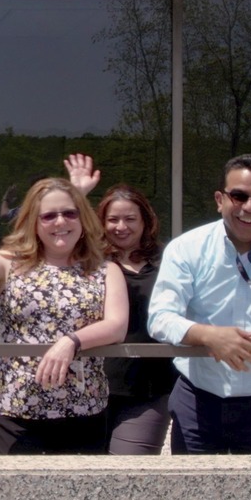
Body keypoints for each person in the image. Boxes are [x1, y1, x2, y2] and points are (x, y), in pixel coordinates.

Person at [0, 163, 128, 454]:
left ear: (83, 219)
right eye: (49, 216)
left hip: (84, 409)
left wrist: (70, 342)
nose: (61, 222)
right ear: (34, 222)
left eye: (70, 213)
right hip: (15, 409)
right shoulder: (9, 263)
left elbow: (116, 325)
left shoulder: (105, 270)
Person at [148, 154, 251, 455]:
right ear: (220, 199)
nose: (249, 207)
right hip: (197, 401)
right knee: (194, 497)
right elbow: (160, 318)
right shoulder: (186, 247)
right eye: (238, 196)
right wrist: (210, 336)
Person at [97, 185, 176, 454]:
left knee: (129, 470)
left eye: (130, 219)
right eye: (113, 219)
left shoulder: (169, 261)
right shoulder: (89, 263)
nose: (121, 227)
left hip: (151, 388)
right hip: (93, 386)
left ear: (145, 221)